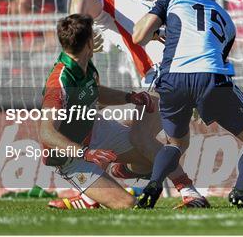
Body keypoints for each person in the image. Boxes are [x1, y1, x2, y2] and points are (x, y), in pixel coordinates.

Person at [51, 0, 209, 209]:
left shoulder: (108, 4)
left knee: (139, 136)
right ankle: (92, 195)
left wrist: (81, 31)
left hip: (164, 74)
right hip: (194, 72)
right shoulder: (145, 5)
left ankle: (190, 192)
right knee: (129, 134)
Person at [132, 0, 243, 209]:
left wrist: (155, 35)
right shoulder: (226, 19)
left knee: (176, 144)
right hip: (211, 79)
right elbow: (219, 58)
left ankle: (152, 186)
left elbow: (138, 37)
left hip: (173, 79)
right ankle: (241, 191)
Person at [41, 14, 156, 209]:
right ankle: (89, 196)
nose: (98, 38)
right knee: (127, 204)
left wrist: (128, 97)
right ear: (88, 42)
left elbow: (97, 92)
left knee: (156, 158)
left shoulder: (85, 63)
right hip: (72, 157)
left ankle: (118, 172)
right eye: (94, 34)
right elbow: (46, 133)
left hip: (96, 131)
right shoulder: (60, 83)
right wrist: (85, 153)